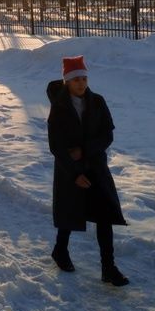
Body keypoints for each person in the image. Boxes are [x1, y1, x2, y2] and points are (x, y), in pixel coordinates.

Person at [47, 55, 128, 285]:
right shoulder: (59, 108)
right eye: (76, 80)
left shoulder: (98, 102)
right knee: (70, 213)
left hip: (95, 167)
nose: (81, 83)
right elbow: (56, 146)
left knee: (105, 215)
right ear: (67, 82)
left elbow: (107, 135)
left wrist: (84, 150)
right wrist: (74, 174)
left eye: (84, 78)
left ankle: (108, 267)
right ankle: (60, 250)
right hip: (69, 170)